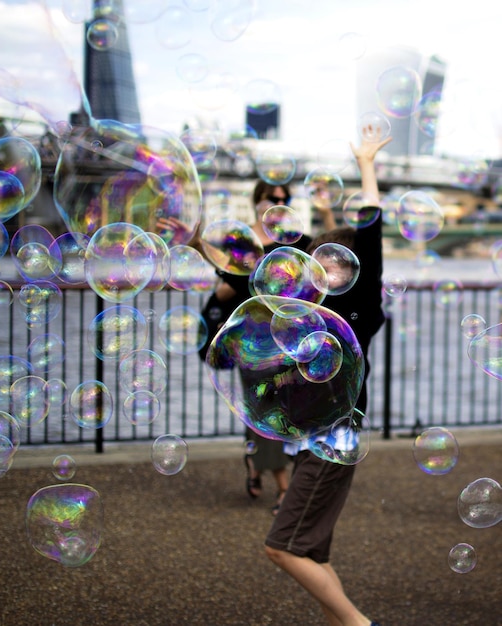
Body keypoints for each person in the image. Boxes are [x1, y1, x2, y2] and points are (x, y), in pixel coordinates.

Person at [263, 128, 391, 626]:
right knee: (312, 554)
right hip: (318, 441)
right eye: (316, 266)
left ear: (355, 275)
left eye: (333, 267)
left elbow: (370, 233)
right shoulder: (311, 319)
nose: (322, 275)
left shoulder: (358, 310)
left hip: (330, 441)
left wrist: (365, 166)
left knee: (281, 548)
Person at [212, 179, 333, 513]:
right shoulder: (239, 242)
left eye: (283, 197)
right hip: (251, 338)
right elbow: (225, 286)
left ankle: (257, 464)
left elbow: (326, 265)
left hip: (290, 337)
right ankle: (282, 487)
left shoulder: (298, 242)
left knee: (282, 410)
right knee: (261, 408)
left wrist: (327, 213)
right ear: (257, 200)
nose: (278, 201)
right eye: (271, 197)